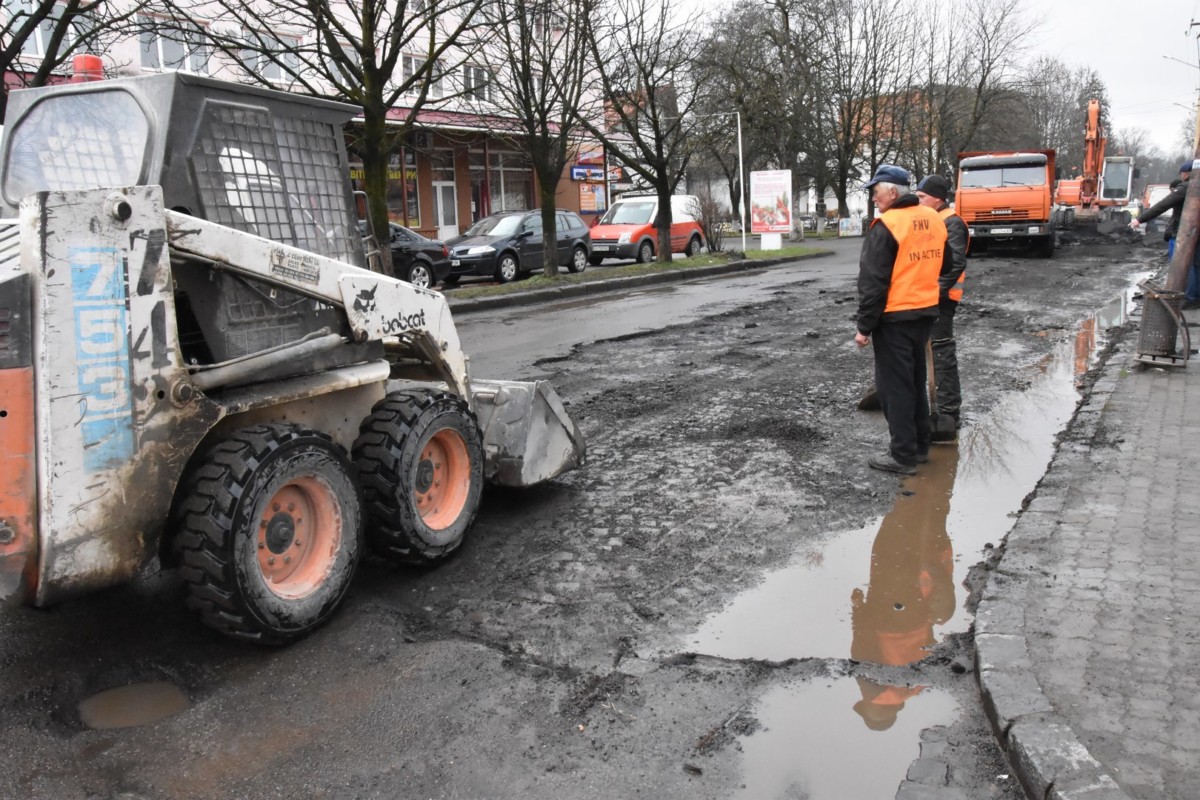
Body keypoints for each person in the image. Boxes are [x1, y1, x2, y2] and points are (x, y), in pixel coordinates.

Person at [854, 164, 949, 475]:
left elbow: (873, 282)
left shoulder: (887, 225)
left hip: (894, 317)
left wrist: (864, 327)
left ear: (892, 192)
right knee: (915, 380)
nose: (874, 198)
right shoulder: (933, 218)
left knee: (895, 387)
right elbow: (946, 262)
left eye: (876, 192)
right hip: (925, 313)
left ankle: (903, 455)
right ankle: (920, 446)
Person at [914, 174, 968, 435]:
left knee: (942, 354)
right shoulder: (930, 220)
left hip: (941, 301)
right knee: (926, 352)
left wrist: (935, 295)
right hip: (925, 297)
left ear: (937, 198)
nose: (918, 201)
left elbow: (955, 263)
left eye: (922, 197)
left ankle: (948, 413)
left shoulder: (952, 223)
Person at [1132, 162, 1199, 309]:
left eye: (1182, 173)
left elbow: (1163, 205)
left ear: (1187, 173)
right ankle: (1195, 297)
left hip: (1187, 233)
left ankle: (1189, 298)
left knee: (1188, 266)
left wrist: (1140, 219)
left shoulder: (1187, 187)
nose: (1181, 176)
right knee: (1196, 265)